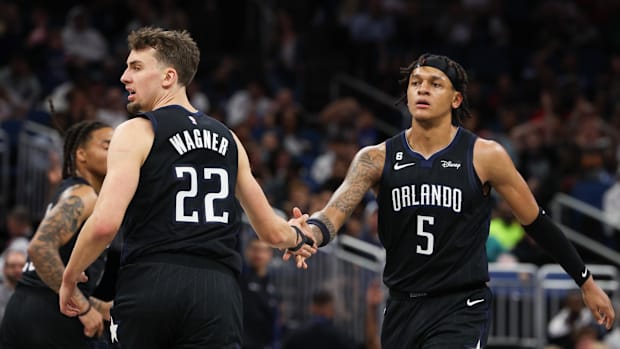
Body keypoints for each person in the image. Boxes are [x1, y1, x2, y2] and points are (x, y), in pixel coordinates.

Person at [288, 53, 615, 348]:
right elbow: (334, 213)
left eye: (435, 84)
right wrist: (307, 234)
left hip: (460, 306)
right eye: (415, 83)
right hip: (402, 305)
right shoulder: (375, 158)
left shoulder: (485, 155)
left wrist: (584, 280)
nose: (422, 89)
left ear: (456, 99)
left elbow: (537, 222)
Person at [59, 27, 315, 349]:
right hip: (217, 293)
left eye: (136, 67)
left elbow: (106, 223)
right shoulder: (230, 139)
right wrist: (299, 236)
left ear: (168, 77)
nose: (124, 77)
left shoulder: (136, 131)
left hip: (153, 280)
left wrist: (70, 276)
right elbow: (273, 234)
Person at [0, 120, 114, 348]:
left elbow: (52, 280)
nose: (116, 152)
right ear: (81, 154)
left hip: (25, 308)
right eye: (107, 146)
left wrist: (99, 307)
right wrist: (84, 307)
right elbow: (39, 248)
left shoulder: (69, 190)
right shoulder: (85, 195)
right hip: (51, 319)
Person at [241, 236, 280, 349]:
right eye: (254, 249)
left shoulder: (273, 287)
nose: (258, 254)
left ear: (270, 254)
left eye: (263, 250)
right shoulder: (240, 280)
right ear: (247, 252)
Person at [0, 249, 26, 325]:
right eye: (12, 266)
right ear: (4, 269)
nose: (17, 270)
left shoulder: (34, 295)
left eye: (21, 266)